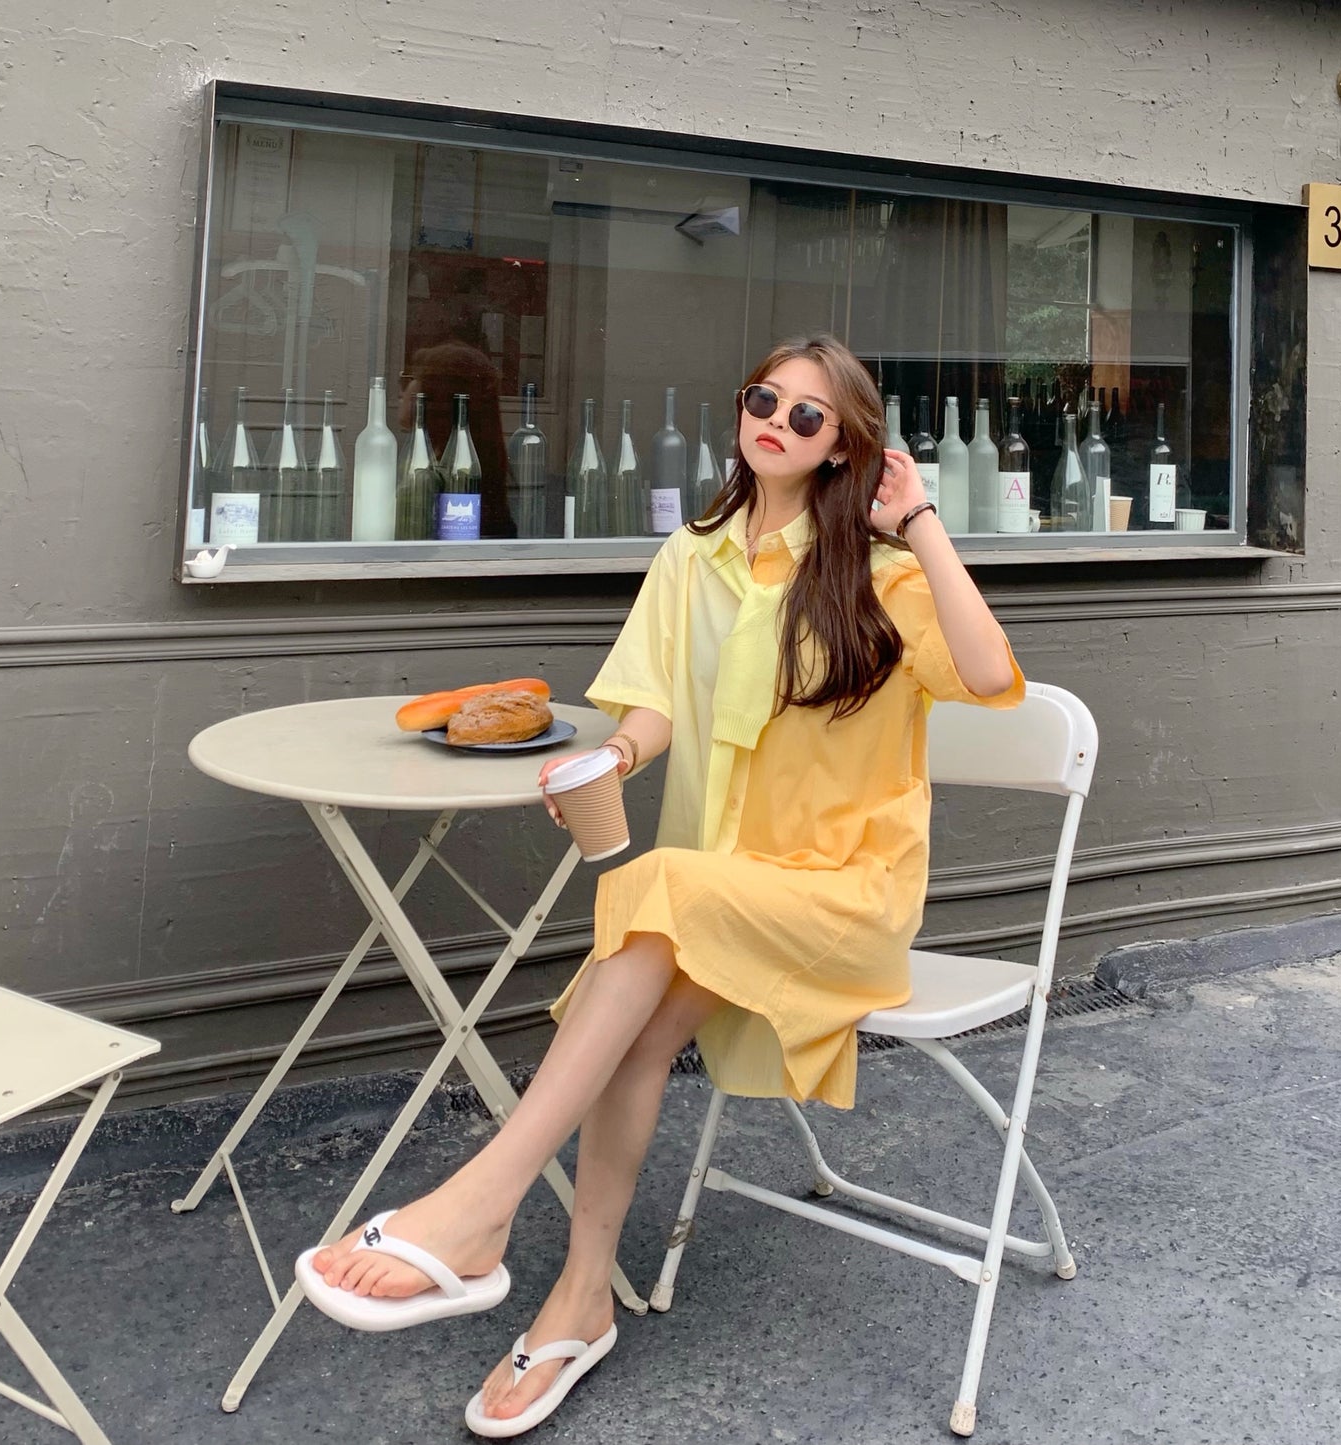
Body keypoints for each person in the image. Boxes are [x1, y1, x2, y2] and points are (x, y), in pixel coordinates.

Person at [298, 333, 1023, 1437]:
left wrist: (918, 521)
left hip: (843, 897)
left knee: (659, 889)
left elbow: (985, 672)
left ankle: (479, 1204)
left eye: (808, 415)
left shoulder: (881, 576)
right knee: (640, 1010)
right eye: (762, 399)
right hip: (720, 883)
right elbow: (654, 705)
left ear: (844, 448)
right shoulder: (694, 555)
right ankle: (577, 1300)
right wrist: (612, 757)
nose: (775, 421)